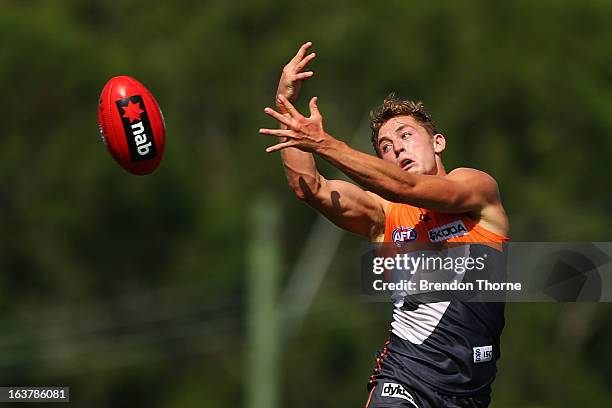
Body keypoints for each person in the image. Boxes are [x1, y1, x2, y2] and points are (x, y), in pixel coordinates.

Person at [261, 42, 510, 408]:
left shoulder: (476, 190)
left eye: (406, 136)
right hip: (404, 379)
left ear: (437, 142)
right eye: (386, 147)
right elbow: (310, 188)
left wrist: (325, 143)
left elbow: (409, 187)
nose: (398, 149)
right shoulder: (385, 214)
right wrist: (287, 107)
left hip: (469, 395)